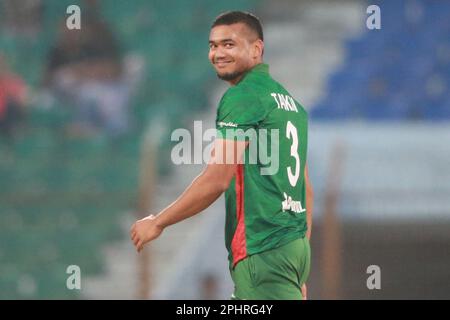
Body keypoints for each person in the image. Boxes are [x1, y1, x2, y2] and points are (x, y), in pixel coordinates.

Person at [130, 11, 313, 300]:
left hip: (261, 246)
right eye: (213, 45)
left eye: (229, 44)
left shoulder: (243, 96)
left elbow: (216, 180)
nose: (217, 53)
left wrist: (158, 221)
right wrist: (298, 260)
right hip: (290, 249)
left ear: (256, 49)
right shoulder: (292, 106)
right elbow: (305, 189)